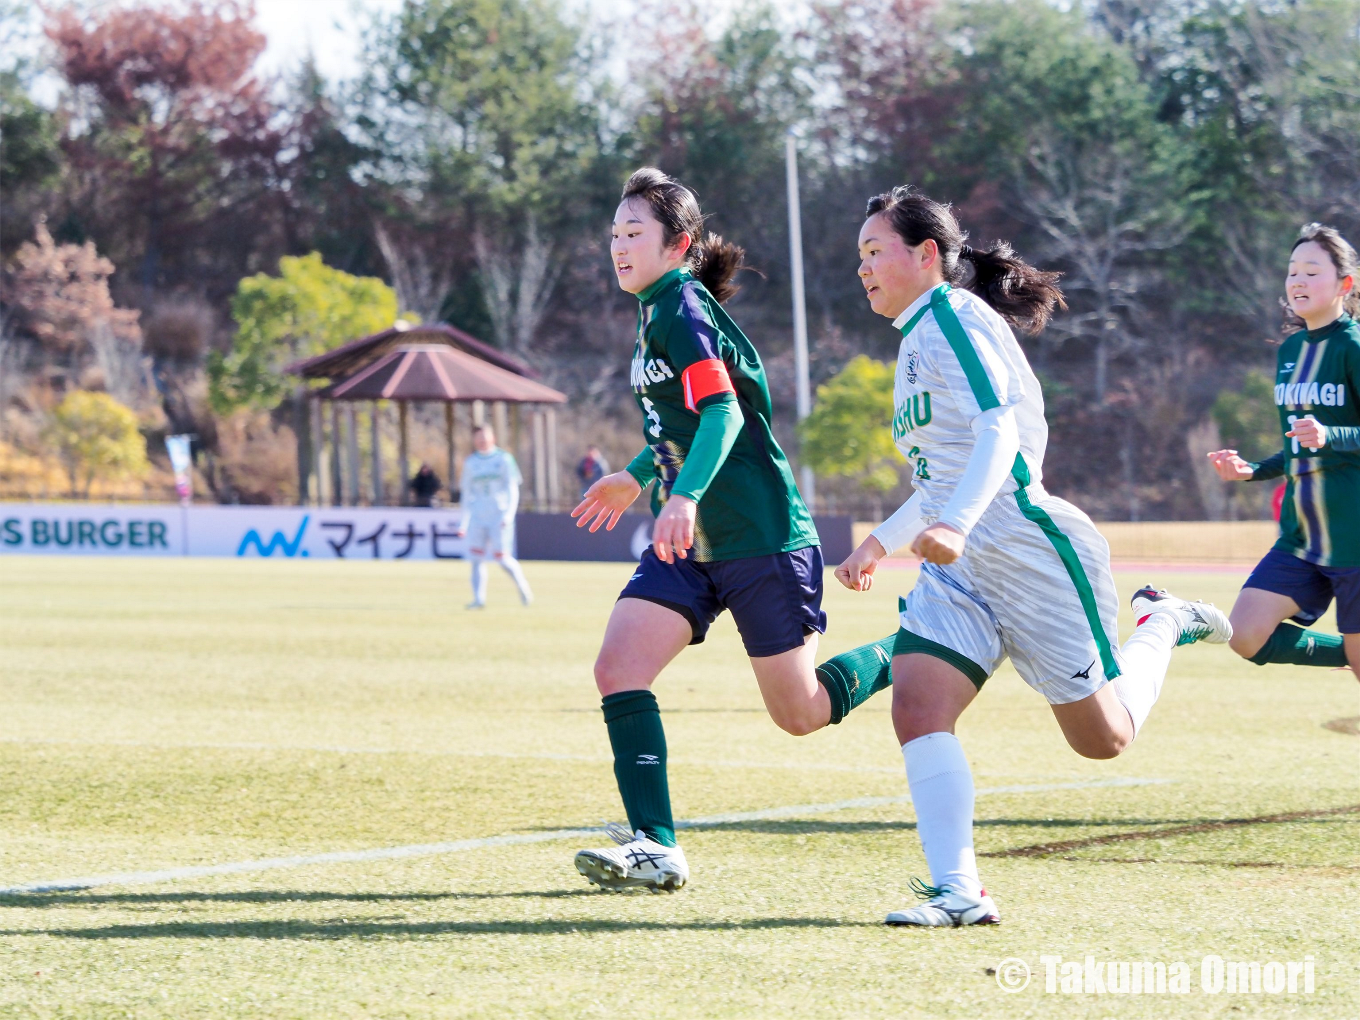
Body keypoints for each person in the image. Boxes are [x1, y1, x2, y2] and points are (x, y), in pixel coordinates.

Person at [835, 186, 1232, 927]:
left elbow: (999, 434)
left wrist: (954, 522)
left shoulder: (951, 319)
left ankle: (1164, 623)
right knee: (919, 706)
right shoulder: (917, 336)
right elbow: (940, 473)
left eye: (873, 250)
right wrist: (879, 541)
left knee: (1104, 740)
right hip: (960, 568)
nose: (861, 266)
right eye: (858, 253)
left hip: (1028, 550)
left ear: (926, 256)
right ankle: (960, 893)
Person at [568, 167, 898, 893]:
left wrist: (679, 497)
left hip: (761, 536)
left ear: (676, 244)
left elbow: (726, 415)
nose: (618, 247)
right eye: (614, 235)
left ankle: (918, 643)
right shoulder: (658, 308)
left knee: (802, 713)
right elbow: (678, 424)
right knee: (618, 668)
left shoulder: (681, 307)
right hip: (693, 544)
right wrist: (636, 475)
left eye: (634, 235)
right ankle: (656, 847)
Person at [1206, 223, 1360, 680]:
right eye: (1293, 271)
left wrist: (1334, 436)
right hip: (1303, 539)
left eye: (1312, 272)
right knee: (1246, 633)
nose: (1297, 281)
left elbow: (1325, 439)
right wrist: (1250, 470)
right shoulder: (1290, 350)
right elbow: (1299, 448)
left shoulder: (1353, 347)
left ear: (1344, 285)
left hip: (1355, 538)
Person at [456, 425, 533, 609]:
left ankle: (523, 589)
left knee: (503, 559)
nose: (482, 440)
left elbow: (512, 489)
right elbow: (466, 493)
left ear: (493, 437)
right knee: (476, 559)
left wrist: (508, 514)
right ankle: (478, 599)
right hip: (477, 516)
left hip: (498, 516)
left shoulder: (504, 459)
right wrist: (463, 522)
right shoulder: (470, 463)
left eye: (485, 436)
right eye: (478, 437)